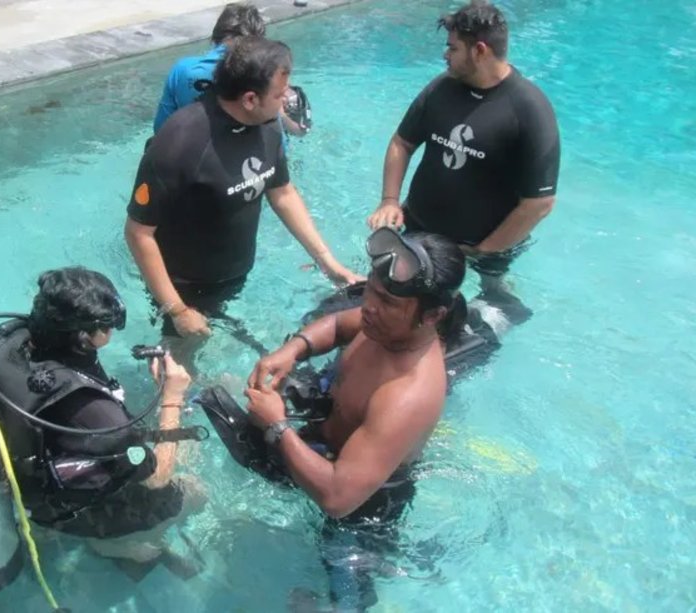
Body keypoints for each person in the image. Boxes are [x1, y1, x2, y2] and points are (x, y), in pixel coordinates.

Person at [197, 229, 467, 610]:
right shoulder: (385, 326)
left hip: (362, 502)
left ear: (434, 315)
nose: (369, 306)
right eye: (370, 291)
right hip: (331, 432)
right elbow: (340, 325)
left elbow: (338, 499)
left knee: (345, 586)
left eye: (386, 301)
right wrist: (294, 350)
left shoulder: (406, 394)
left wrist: (278, 426)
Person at [0, 267, 206, 579]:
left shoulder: (9, 348)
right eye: (107, 327)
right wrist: (172, 398)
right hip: (71, 512)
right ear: (83, 337)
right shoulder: (102, 418)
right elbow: (156, 478)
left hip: (33, 484)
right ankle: (116, 545)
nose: (111, 332)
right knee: (196, 489)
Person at [126, 37, 360, 352]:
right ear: (249, 99)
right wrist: (177, 309)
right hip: (185, 284)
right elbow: (139, 233)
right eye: (278, 95)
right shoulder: (180, 141)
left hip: (236, 270)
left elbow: (283, 192)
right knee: (182, 359)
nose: (285, 102)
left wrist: (328, 263)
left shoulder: (268, 125)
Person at [367, 0, 559, 327]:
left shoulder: (529, 109)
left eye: (452, 48)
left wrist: (483, 250)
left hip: (483, 247)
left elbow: (539, 203)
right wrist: (389, 200)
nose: (445, 55)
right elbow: (402, 142)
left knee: (487, 305)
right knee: (393, 298)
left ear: (479, 50)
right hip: (420, 229)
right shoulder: (442, 88)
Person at [152, 3, 309, 147]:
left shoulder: (182, 70)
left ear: (215, 37)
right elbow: (280, 143)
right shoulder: (264, 74)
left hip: (192, 159)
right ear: (258, 43)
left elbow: (161, 129)